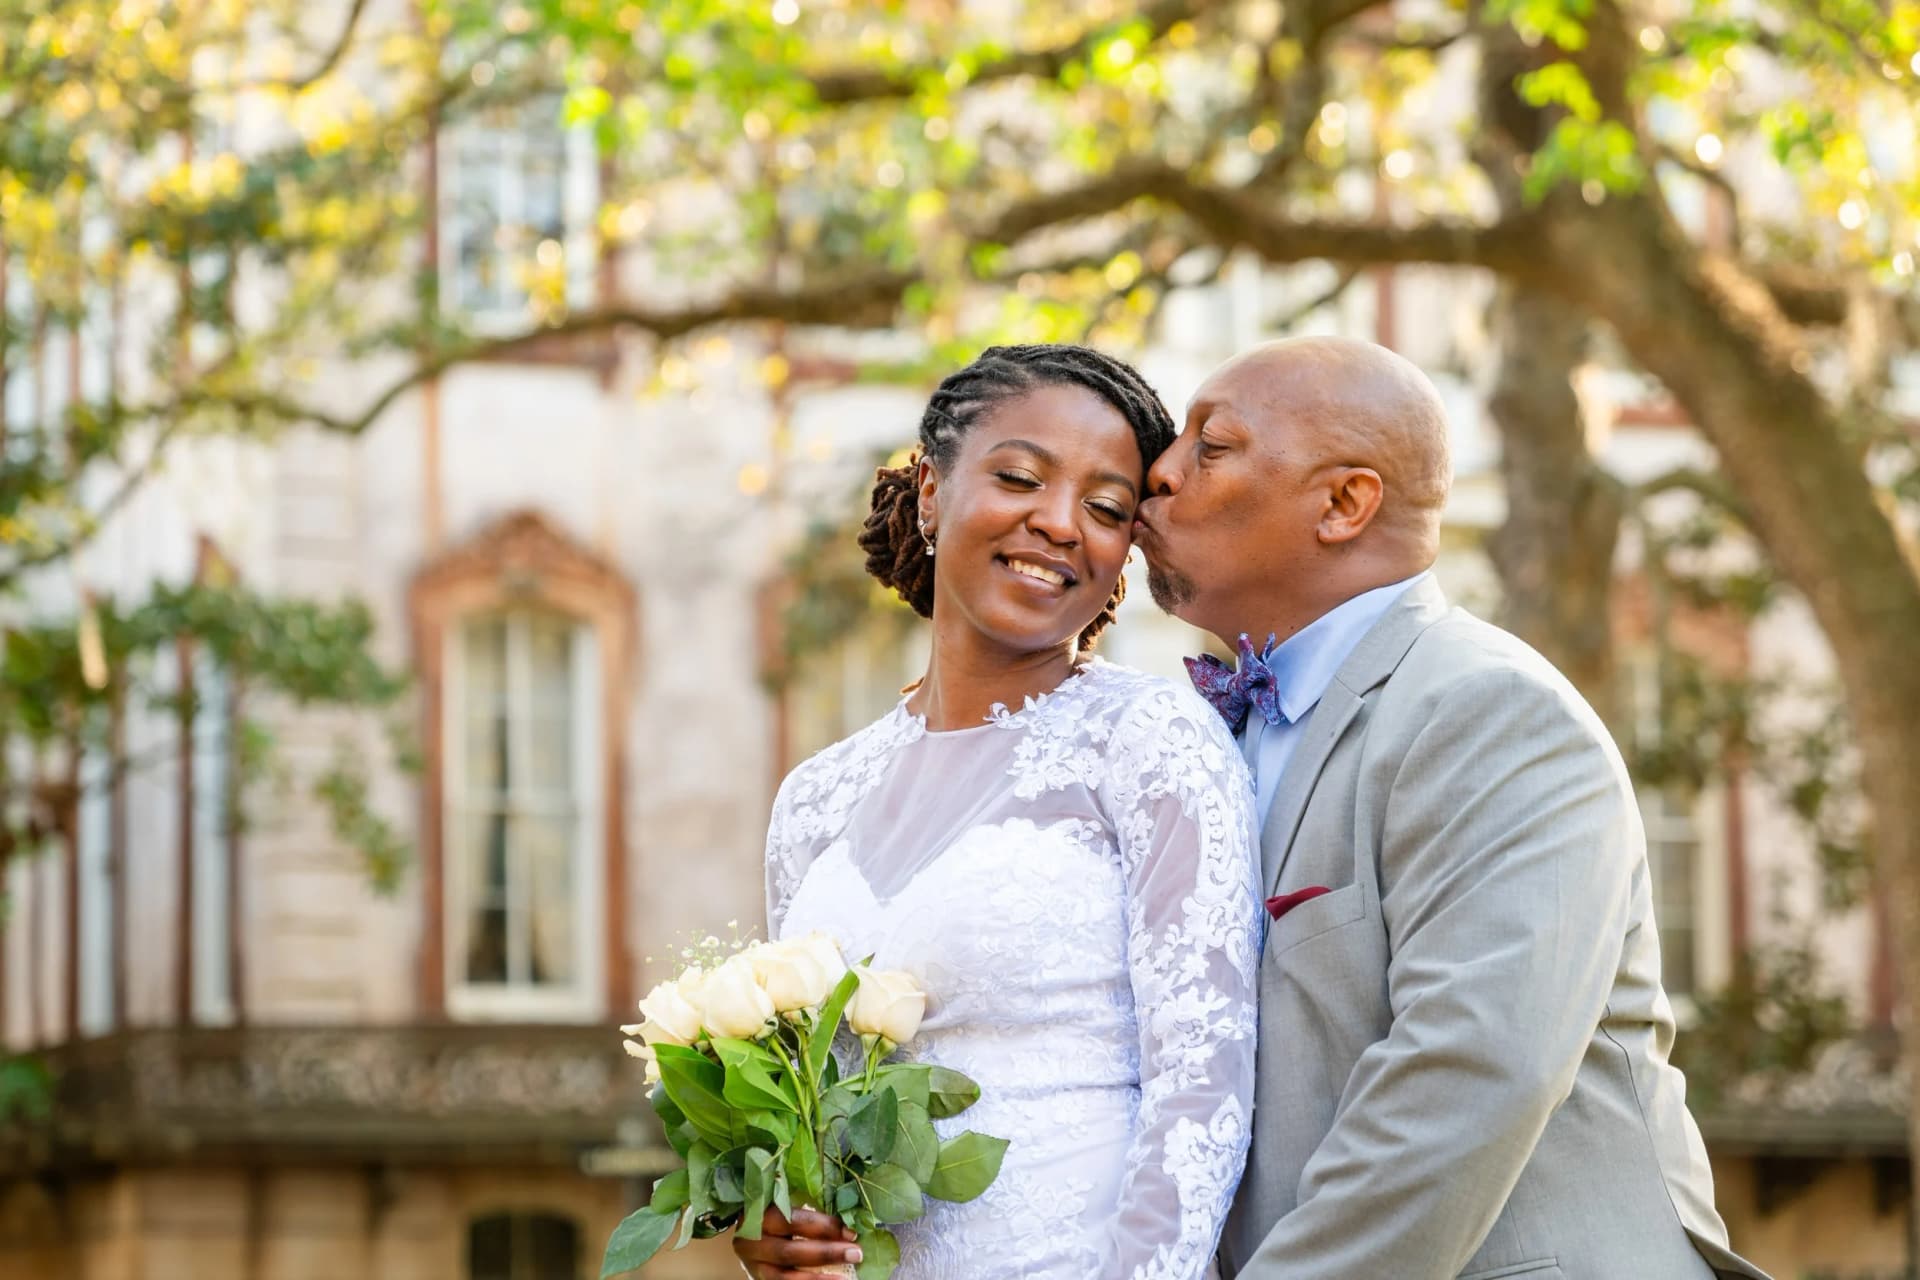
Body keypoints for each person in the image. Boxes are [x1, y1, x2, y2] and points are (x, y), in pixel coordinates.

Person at [1132, 336, 1768, 1279]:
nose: (1160, 471)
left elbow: (1470, 1075)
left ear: (1344, 503)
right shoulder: (1208, 736)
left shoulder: (1489, 711)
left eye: (1209, 445)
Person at [734, 344, 1263, 1280]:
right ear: (932, 494)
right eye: (1020, 477)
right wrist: (784, 1226)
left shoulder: (1150, 742)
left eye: (1105, 509)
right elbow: (819, 1107)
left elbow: (1202, 1100)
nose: (1060, 523)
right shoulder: (816, 797)